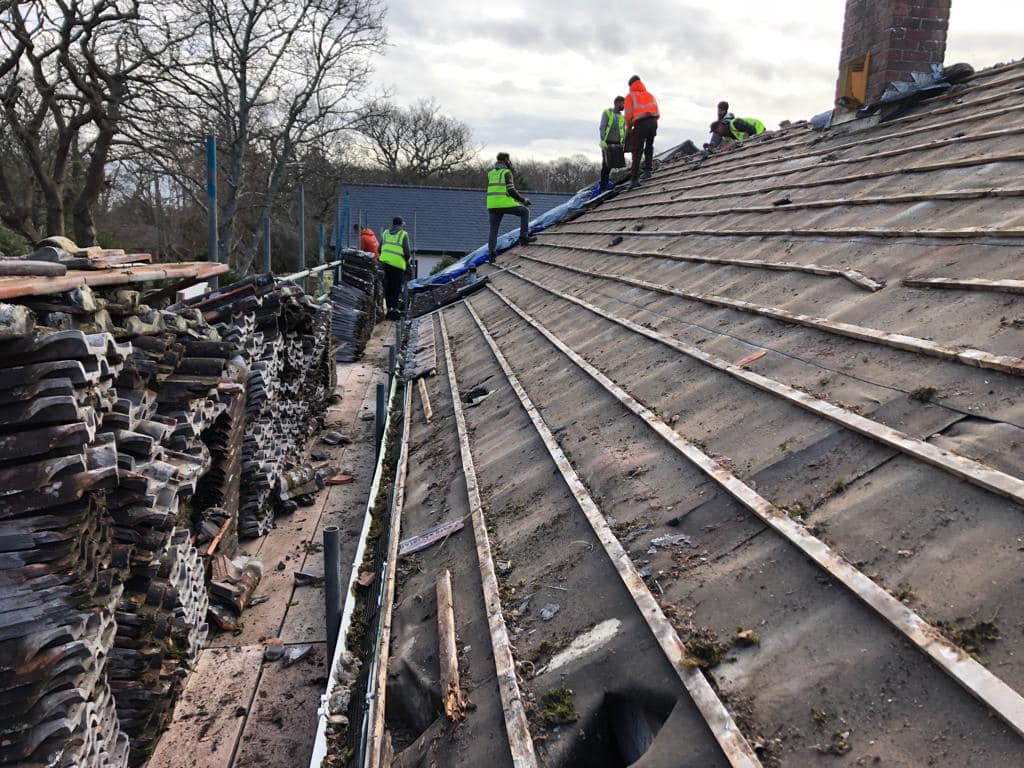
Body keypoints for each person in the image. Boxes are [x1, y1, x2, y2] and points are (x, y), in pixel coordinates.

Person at [486, 152, 535, 263]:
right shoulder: (506, 172)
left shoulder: (491, 173)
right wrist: (523, 200)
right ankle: (523, 238)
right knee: (524, 212)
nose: (510, 162)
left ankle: (491, 255)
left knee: (493, 230)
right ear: (505, 161)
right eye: (509, 160)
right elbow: (511, 190)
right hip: (503, 203)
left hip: (492, 205)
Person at [623, 75, 660, 190]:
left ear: (630, 85)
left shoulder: (630, 96)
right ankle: (648, 170)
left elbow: (628, 115)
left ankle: (634, 180)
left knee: (637, 150)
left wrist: (629, 128)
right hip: (653, 122)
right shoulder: (650, 95)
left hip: (640, 124)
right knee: (649, 146)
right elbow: (657, 112)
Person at [379, 217, 412, 319]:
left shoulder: (385, 233)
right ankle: (394, 311)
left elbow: (379, 249)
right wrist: (407, 264)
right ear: (401, 225)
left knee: (388, 287)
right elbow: (407, 253)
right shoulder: (403, 234)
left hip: (384, 264)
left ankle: (388, 310)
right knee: (396, 288)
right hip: (397, 266)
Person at [598, 96, 627, 192]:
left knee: (615, 165)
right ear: (617, 103)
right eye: (623, 103)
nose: (624, 106)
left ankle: (608, 185)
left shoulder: (622, 117)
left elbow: (623, 130)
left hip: (618, 144)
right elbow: (602, 127)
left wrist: (624, 142)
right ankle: (603, 188)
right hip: (607, 143)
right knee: (606, 165)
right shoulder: (607, 113)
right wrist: (602, 140)